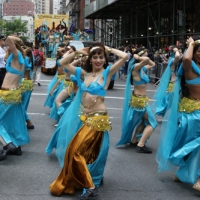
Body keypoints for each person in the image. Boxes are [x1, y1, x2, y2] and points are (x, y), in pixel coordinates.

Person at [48, 43, 128, 199]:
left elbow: (124, 57)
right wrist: (77, 52)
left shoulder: (107, 73)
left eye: (101, 57)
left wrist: (108, 49)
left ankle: (91, 187)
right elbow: (62, 63)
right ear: (90, 59)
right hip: (86, 119)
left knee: (77, 152)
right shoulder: (84, 74)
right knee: (76, 151)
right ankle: (87, 180)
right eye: (95, 57)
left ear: (105, 59)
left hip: (98, 118)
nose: (98, 60)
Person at [156, 36, 200, 192]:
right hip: (193, 114)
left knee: (194, 146)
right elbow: (186, 58)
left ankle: (187, 175)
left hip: (194, 113)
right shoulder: (190, 66)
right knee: (190, 145)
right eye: (199, 51)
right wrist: (192, 44)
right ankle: (190, 176)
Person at [116, 48, 157, 153]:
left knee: (144, 122)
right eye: (145, 53)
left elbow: (152, 64)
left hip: (142, 100)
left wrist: (140, 56)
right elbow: (147, 60)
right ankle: (141, 144)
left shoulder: (142, 69)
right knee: (152, 123)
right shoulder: (135, 68)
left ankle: (134, 140)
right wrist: (138, 56)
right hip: (139, 101)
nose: (147, 55)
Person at [0, 35, 30, 161]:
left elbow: (8, 39)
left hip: (8, 94)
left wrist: (16, 40)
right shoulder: (19, 58)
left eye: (9, 47)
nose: (7, 47)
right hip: (12, 94)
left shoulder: (17, 55)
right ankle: (16, 146)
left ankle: (7, 144)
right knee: (11, 122)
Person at [152, 47, 180, 117]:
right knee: (171, 100)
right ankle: (162, 111)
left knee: (173, 101)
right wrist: (176, 50)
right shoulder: (173, 60)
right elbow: (177, 56)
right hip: (174, 84)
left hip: (176, 84)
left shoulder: (177, 61)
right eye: (180, 52)